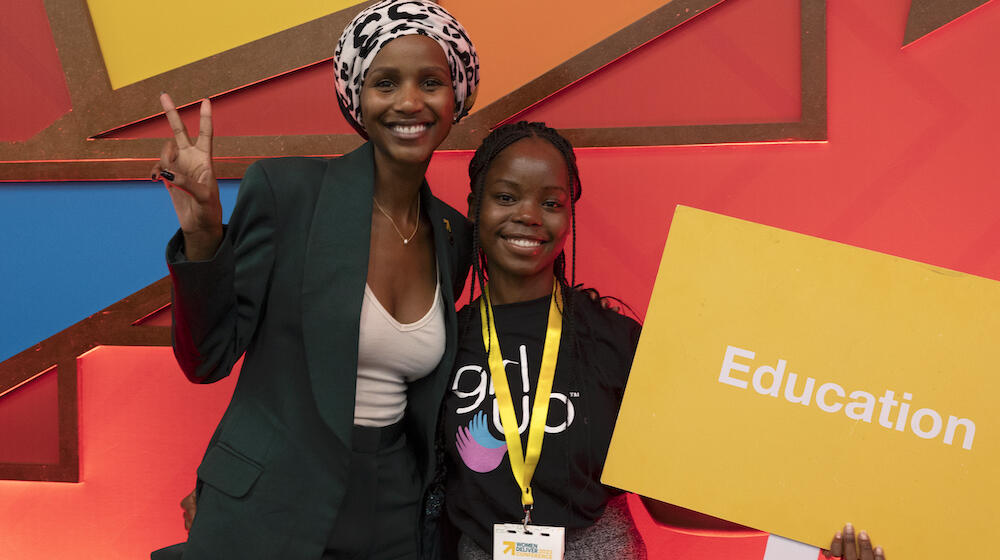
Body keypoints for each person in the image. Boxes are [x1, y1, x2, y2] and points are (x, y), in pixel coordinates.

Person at [440, 122, 887, 560]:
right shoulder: (442, 344)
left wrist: (812, 522)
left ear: (569, 214)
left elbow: (665, 496)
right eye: (505, 197)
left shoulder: (614, 341)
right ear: (475, 205)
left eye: (551, 202)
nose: (529, 215)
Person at [149, 1, 479, 558]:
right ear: (357, 97)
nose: (409, 102)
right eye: (385, 82)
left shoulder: (453, 233)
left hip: (393, 508)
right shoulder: (288, 192)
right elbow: (205, 360)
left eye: (431, 82)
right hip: (272, 502)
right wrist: (205, 236)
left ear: (456, 99)